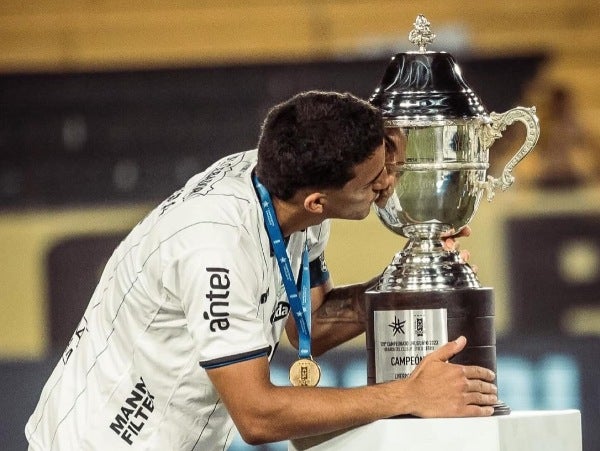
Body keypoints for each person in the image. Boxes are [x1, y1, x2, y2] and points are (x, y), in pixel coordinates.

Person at [25, 91, 497, 450]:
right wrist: (407, 395)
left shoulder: (289, 189)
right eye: (376, 180)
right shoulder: (216, 244)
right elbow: (258, 415)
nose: (389, 182)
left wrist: (404, 282)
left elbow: (308, 322)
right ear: (319, 200)